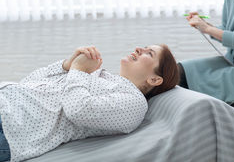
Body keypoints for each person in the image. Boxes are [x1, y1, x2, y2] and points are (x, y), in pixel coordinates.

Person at [0, 44, 179, 162]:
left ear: (155, 79)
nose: (140, 48)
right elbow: (27, 83)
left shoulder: (134, 102)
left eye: (150, 53)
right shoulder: (99, 76)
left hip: (10, 127)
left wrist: (79, 70)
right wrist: (67, 65)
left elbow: (79, 110)